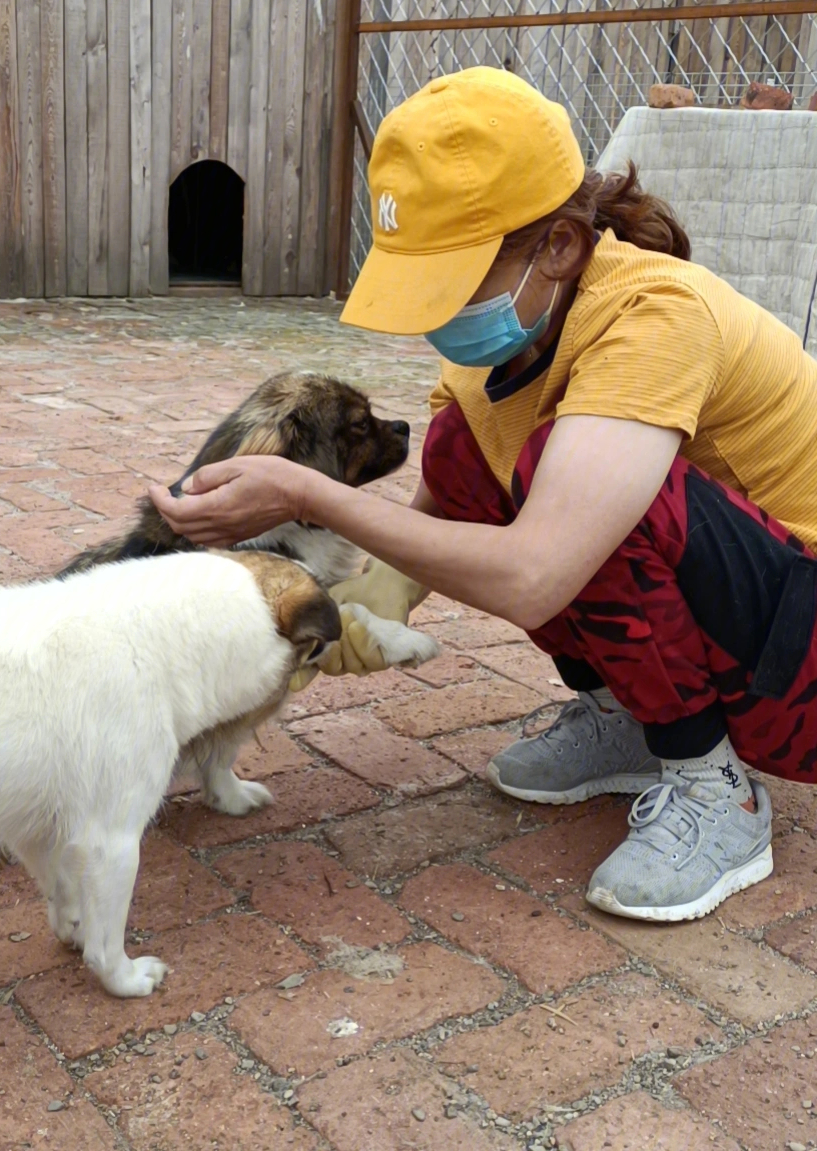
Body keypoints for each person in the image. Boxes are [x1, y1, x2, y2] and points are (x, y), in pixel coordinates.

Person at [149, 67, 817, 924]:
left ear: (561, 247)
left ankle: (715, 787)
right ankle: (628, 716)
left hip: (797, 663)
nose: (437, 314)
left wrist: (306, 493)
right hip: (744, 618)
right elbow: (442, 505)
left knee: (585, 490)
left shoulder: (653, 316)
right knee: (467, 448)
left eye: (452, 281)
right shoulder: (506, 335)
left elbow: (534, 572)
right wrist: (361, 601)